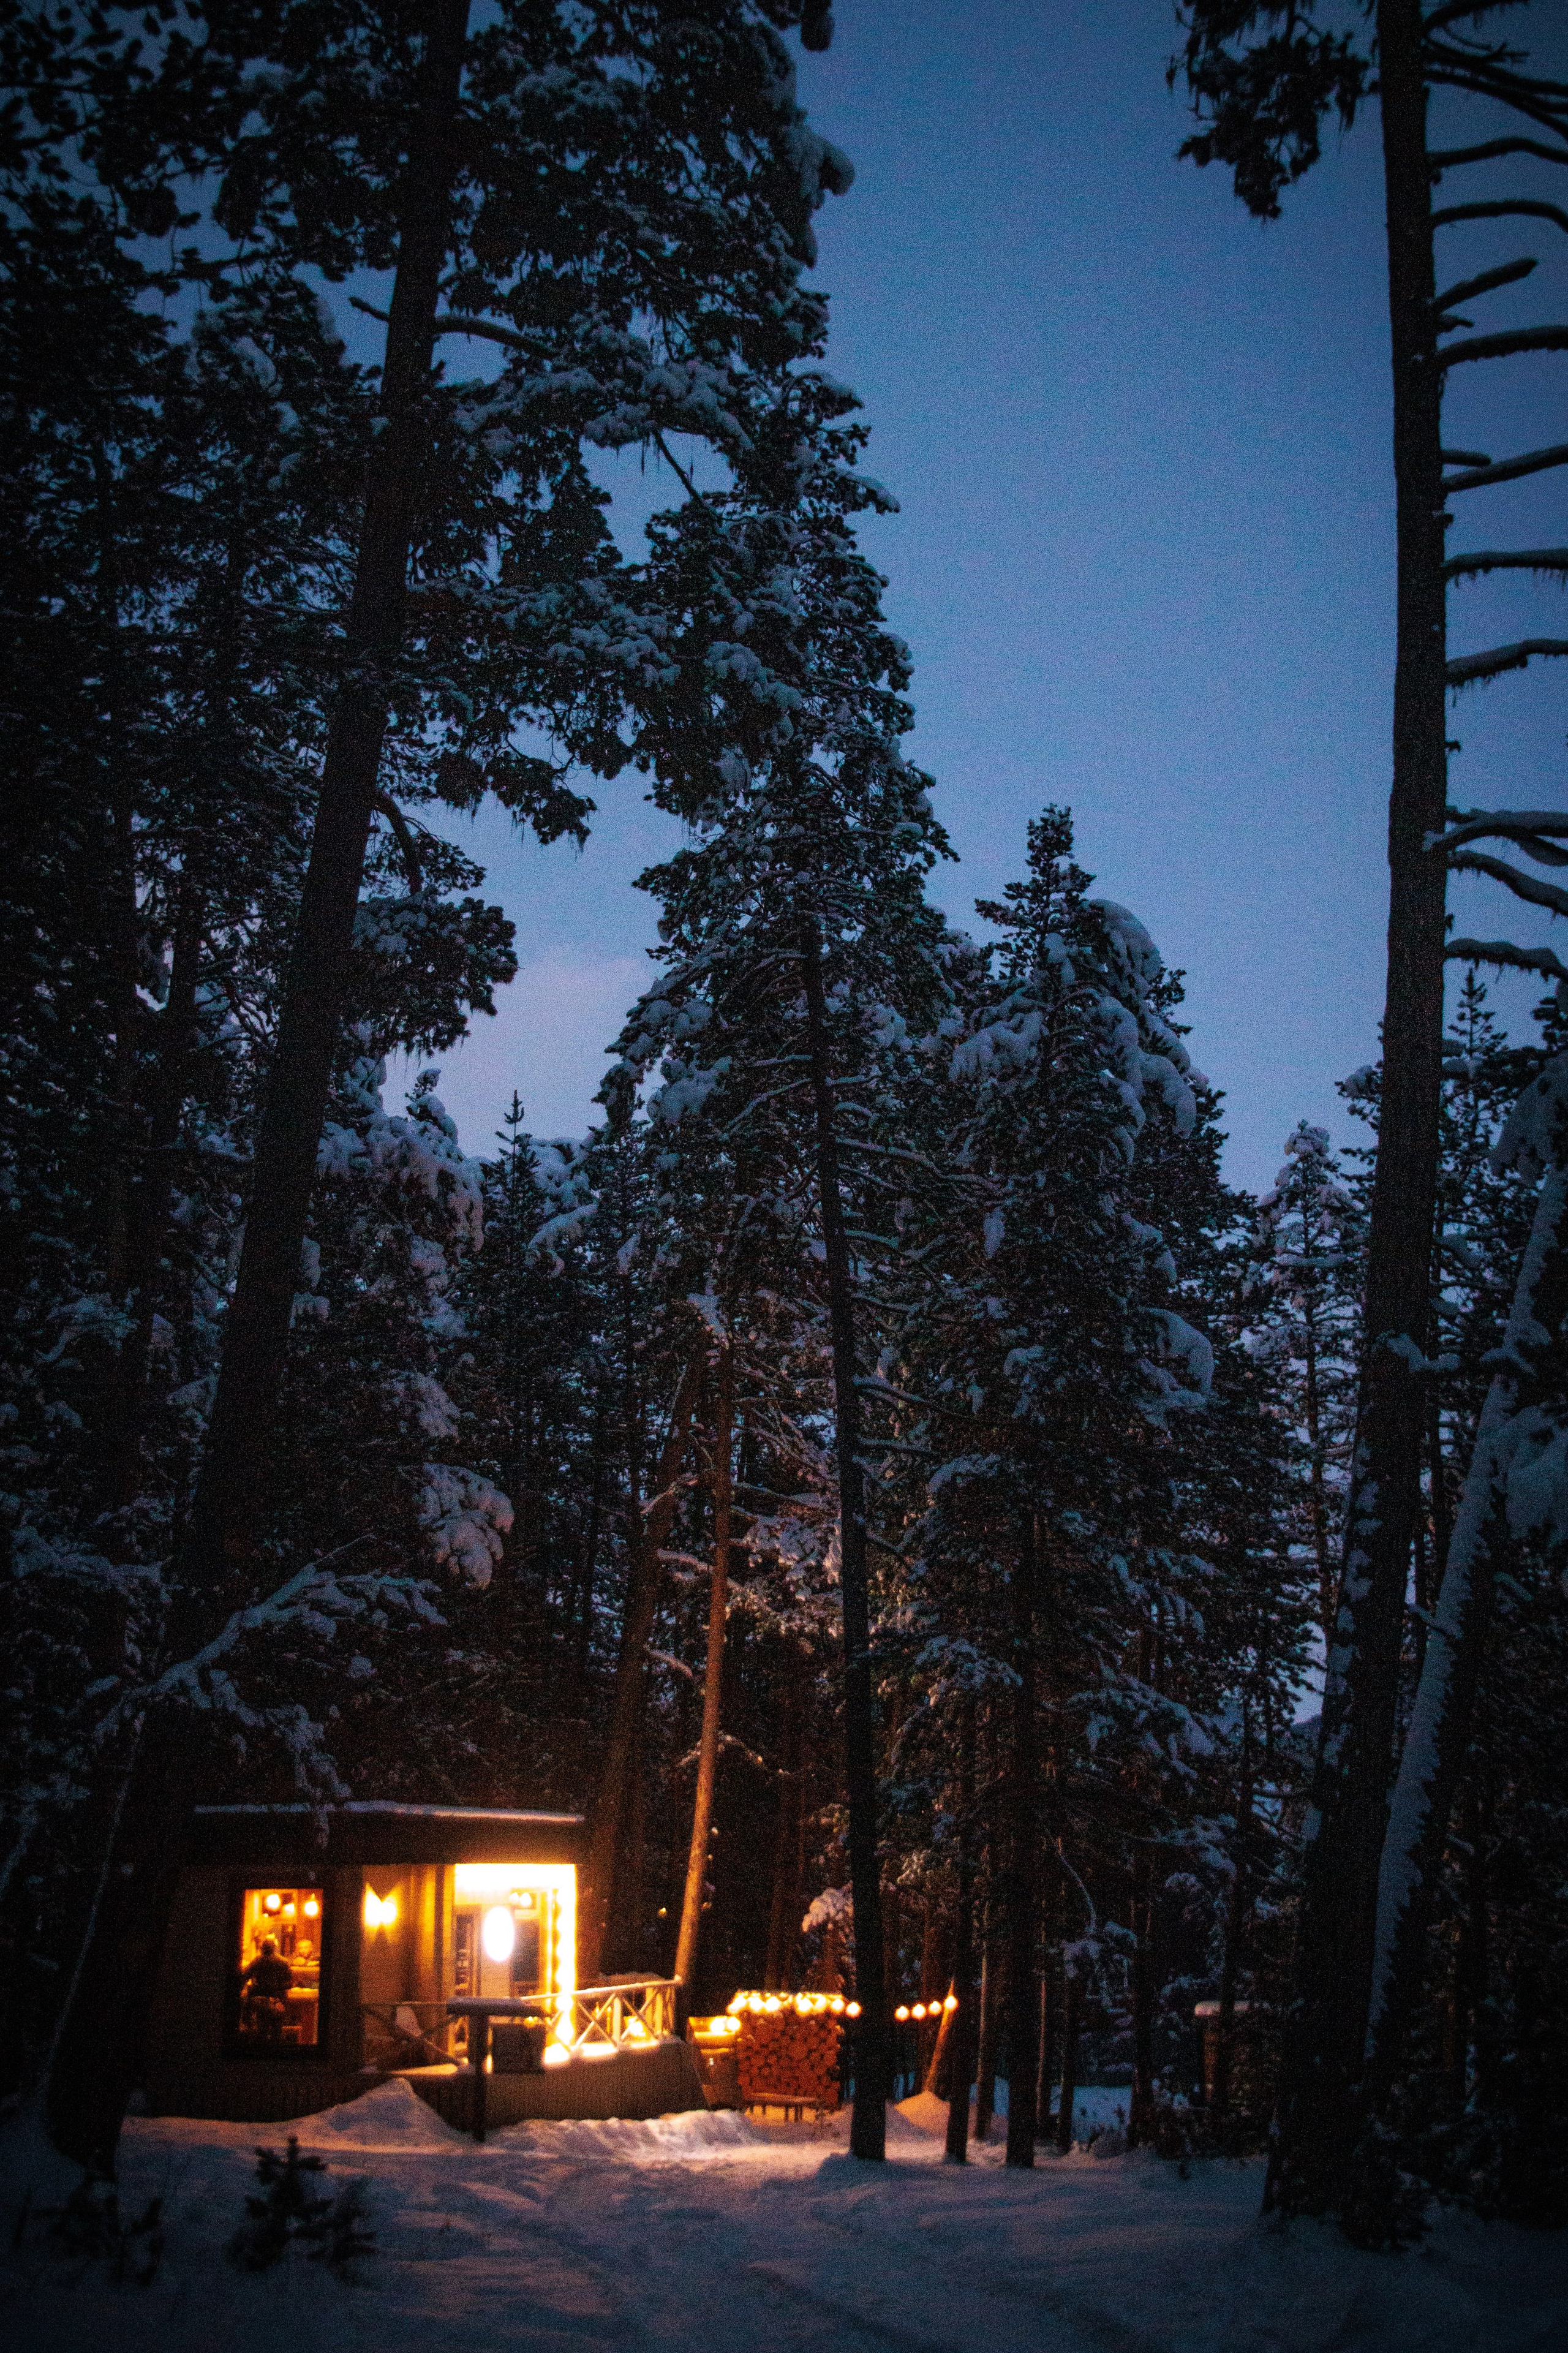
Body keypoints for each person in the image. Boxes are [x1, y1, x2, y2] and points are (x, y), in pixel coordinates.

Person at [239, 1936, 294, 2042]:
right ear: (274, 1948)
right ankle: (276, 2052)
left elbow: (245, 1976)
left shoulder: (257, 1961)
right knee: (277, 2029)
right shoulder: (283, 1961)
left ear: (262, 1948)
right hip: (279, 1999)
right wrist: (278, 1988)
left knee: (262, 2028)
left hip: (261, 1998)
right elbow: (290, 1983)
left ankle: (262, 2053)